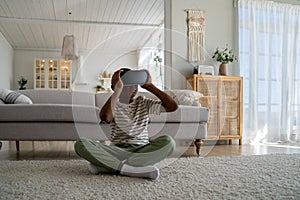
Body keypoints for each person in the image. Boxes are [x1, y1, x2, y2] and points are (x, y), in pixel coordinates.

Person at [74, 68, 178, 180]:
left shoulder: (143, 102)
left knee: (169, 142)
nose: (133, 89)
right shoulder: (113, 104)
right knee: (81, 144)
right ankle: (130, 169)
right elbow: (106, 117)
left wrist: (150, 86)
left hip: (141, 151)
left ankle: (109, 166)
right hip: (117, 151)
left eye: (135, 85)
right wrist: (117, 89)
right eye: (128, 85)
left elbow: (172, 107)